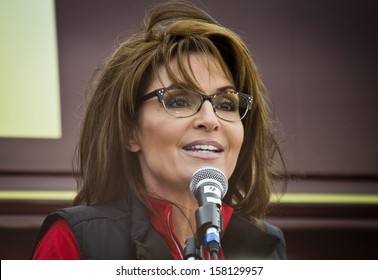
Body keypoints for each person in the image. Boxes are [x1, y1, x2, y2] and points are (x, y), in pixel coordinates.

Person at [32, 0, 287, 260]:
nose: (210, 120)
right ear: (131, 131)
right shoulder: (77, 240)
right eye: (178, 101)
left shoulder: (266, 247)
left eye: (226, 104)